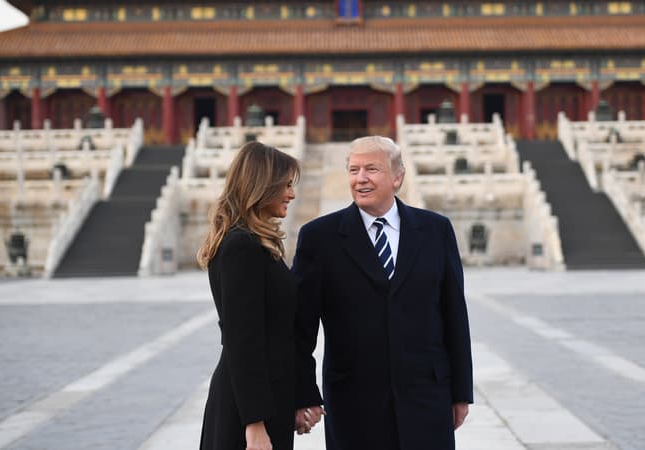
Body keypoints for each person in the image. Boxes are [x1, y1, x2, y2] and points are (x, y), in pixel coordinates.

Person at [293, 136, 474, 450]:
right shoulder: (319, 238)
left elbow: (454, 315)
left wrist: (461, 393)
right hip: (353, 401)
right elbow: (300, 327)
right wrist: (304, 393)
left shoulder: (436, 230)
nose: (360, 178)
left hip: (427, 398)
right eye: (354, 170)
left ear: (397, 178)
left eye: (371, 169)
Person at [198, 142, 310, 450]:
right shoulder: (241, 247)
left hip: (267, 399)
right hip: (247, 410)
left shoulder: (258, 244)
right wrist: (255, 423)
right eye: (286, 185)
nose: (292, 194)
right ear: (264, 186)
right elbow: (243, 340)